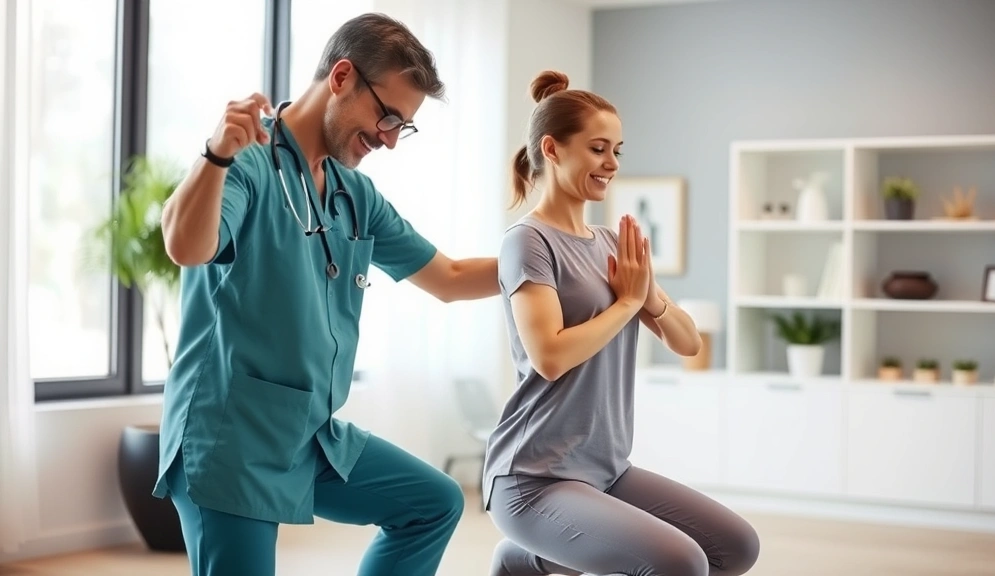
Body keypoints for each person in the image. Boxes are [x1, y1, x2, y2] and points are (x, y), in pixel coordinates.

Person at [153, 13, 499, 576]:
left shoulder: (353, 193)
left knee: (432, 504)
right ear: (342, 77)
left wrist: (555, 260)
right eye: (387, 116)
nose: (389, 139)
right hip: (230, 440)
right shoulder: (247, 160)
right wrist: (215, 155)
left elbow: (452, 277)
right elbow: (186, 246)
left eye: (402, 127)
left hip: (308, 433)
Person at [483, 70, 761, 576]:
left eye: (618, 150)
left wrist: (648, 297)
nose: (612, 163)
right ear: (552, 149)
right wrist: (625, 304)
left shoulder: (614, 244)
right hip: (533, 476)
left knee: (737, 546)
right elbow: (549, 357)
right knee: (680, 564)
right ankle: (535, 552)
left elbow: (687, 342)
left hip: (605, 469)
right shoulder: (527, 242)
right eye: (598, 148)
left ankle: (530, 561)